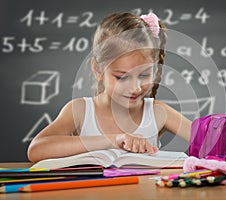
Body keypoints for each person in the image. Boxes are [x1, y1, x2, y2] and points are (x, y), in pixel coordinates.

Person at [27, 12, 191, 163]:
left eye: (144, 75)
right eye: (122, 77)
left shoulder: (157, 112)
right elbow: (36, 150)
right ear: (98, 70)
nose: (135, 88)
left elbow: (208, 140)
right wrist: (112, 140)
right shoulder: (80, 110)